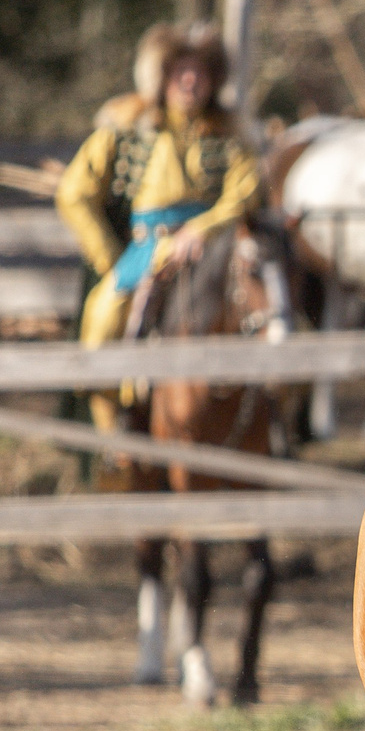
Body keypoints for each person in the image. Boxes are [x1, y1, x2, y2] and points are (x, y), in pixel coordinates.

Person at [53, 23, 262, 428]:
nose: (190, 81)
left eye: (200, 73)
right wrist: (110, 259)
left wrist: (203, 230)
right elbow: (73, 192)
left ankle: (275, 416)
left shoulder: (229, 135)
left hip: (214, 246)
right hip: (145, 248)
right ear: (162, 76)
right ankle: (114, 434)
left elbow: (245, 191)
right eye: (181, 71)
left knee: (267, 306)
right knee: (104, 316)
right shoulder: (128, 127)